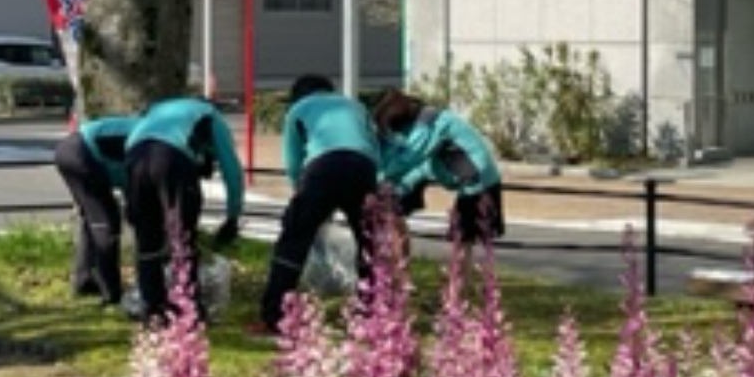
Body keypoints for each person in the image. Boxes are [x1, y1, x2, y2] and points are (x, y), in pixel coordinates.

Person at [253, 74, 380, 334]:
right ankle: (373, 314)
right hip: (362, 167)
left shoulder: (297, 110)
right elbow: (375, 149)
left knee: (293, 241)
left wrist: (300, 197)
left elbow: (292, 160)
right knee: (370, 244)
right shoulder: (355, 106)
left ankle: (274, 316)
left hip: (321, 168)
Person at [123, 96, 244, 322]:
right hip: (171, 156)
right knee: (181, 235)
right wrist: (233, 216)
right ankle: (187, 308)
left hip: (134, 154)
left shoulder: (158, 108)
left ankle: (152, 306)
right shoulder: (210, 115)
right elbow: (231, 169)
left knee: (146, 236)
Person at [372, 88, 505, 244]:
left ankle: (466, 267)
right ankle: (400, 263)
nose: (393, 132)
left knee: (463, 239)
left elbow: (410, 157)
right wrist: (398, 185)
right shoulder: (419, 123)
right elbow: (416, 164)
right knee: (394, 205)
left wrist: (378, 177)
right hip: (455, 171)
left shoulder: (429, 125)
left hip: (476, 179)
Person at [54, 114, 138, 306]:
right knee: (106, 224)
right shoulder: (151, 140)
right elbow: (130, 178)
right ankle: (110, 292)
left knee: (92, 220)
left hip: (68, 150)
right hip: (82, 155)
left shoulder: (140, 130)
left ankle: (83, 280)